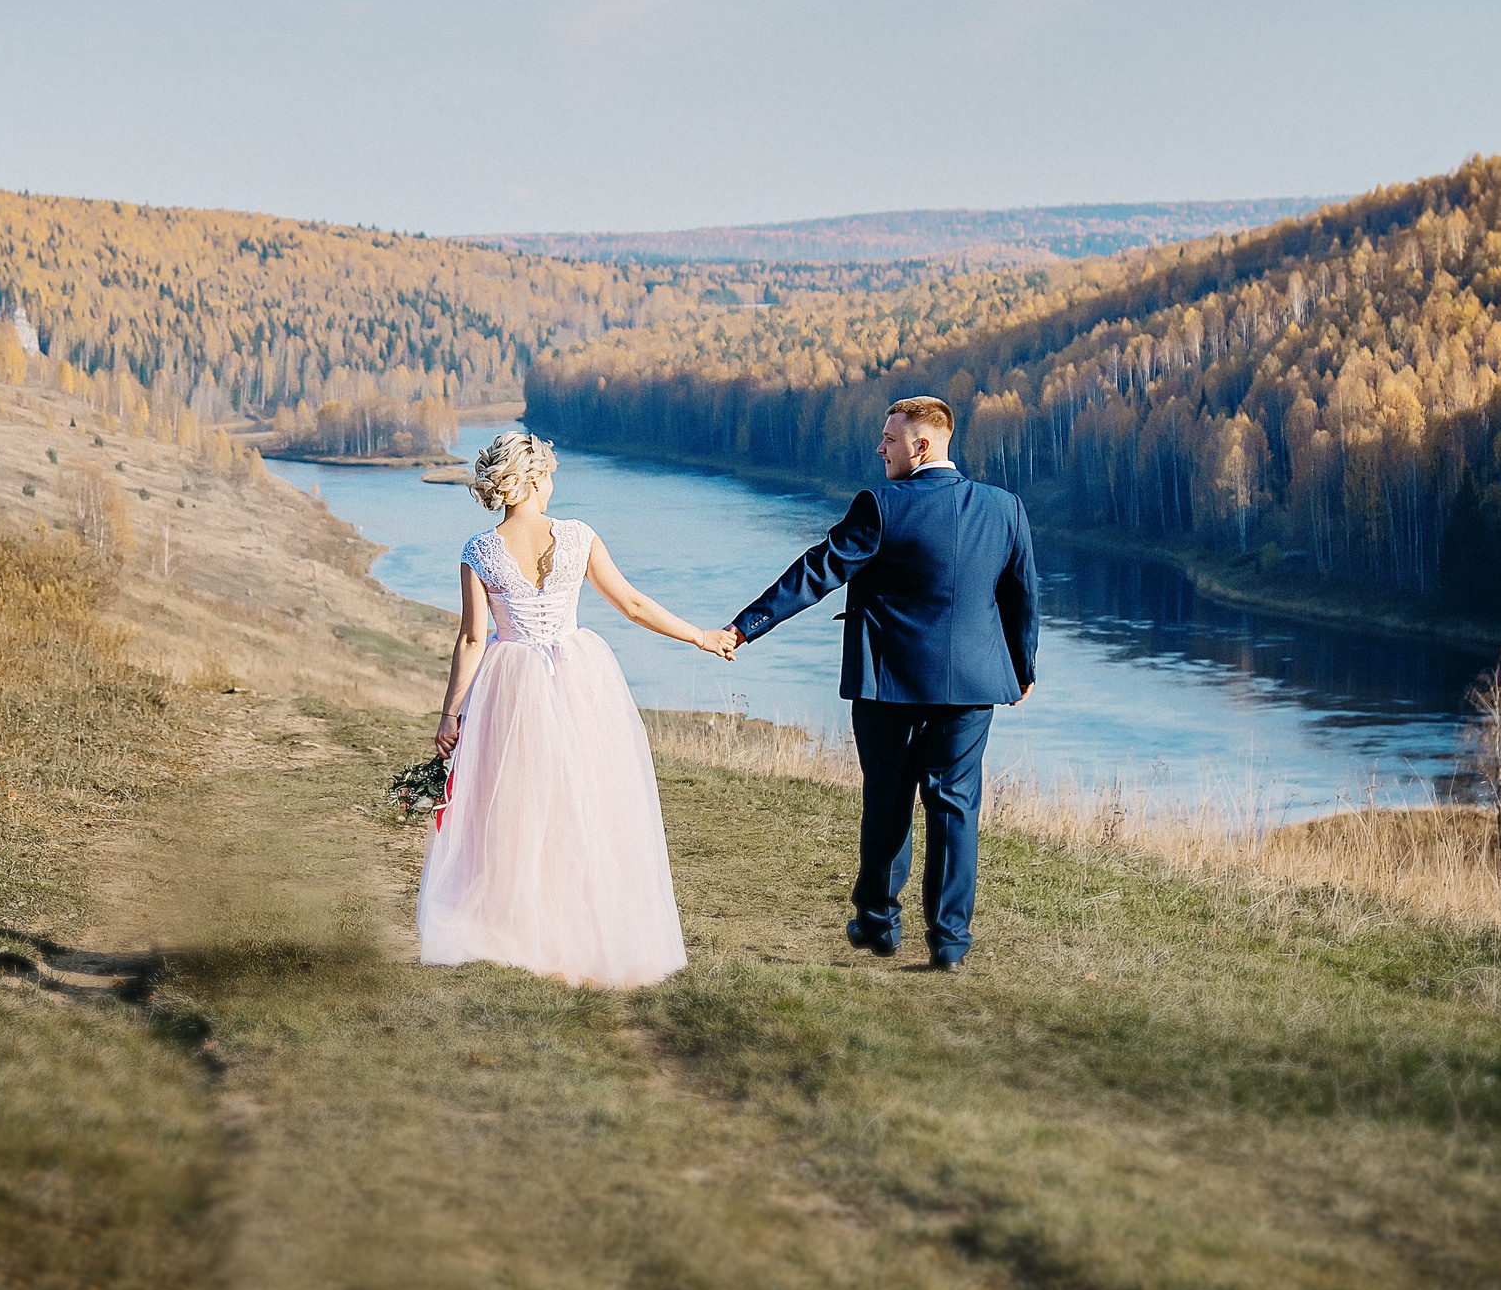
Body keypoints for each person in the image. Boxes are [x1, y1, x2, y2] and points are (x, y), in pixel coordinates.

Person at [725, 396, 1037, 972]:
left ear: (922, 446)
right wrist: (1022, 669)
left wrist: (745, 628)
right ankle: (949, 944)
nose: (880, 448)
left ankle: (878, 923)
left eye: (889, 439)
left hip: (886, 684)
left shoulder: (883, 506)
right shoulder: (1004, 507)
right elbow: (1022, 597)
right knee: (955, 807)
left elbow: (818, 571)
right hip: (971, 687)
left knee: (888, 801)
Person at [418, 430, 736, 989]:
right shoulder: (579, 536)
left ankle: (524, 938)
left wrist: (451, 713)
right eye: (551, 474)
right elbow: (632, 605)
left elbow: (472, 639)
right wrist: (701, 637)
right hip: (580, 678)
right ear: (536, 477)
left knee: (514, 814)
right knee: (587, 807)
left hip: (508, 688)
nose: (554, 482)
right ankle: (588, 941)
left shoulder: (478, 550)